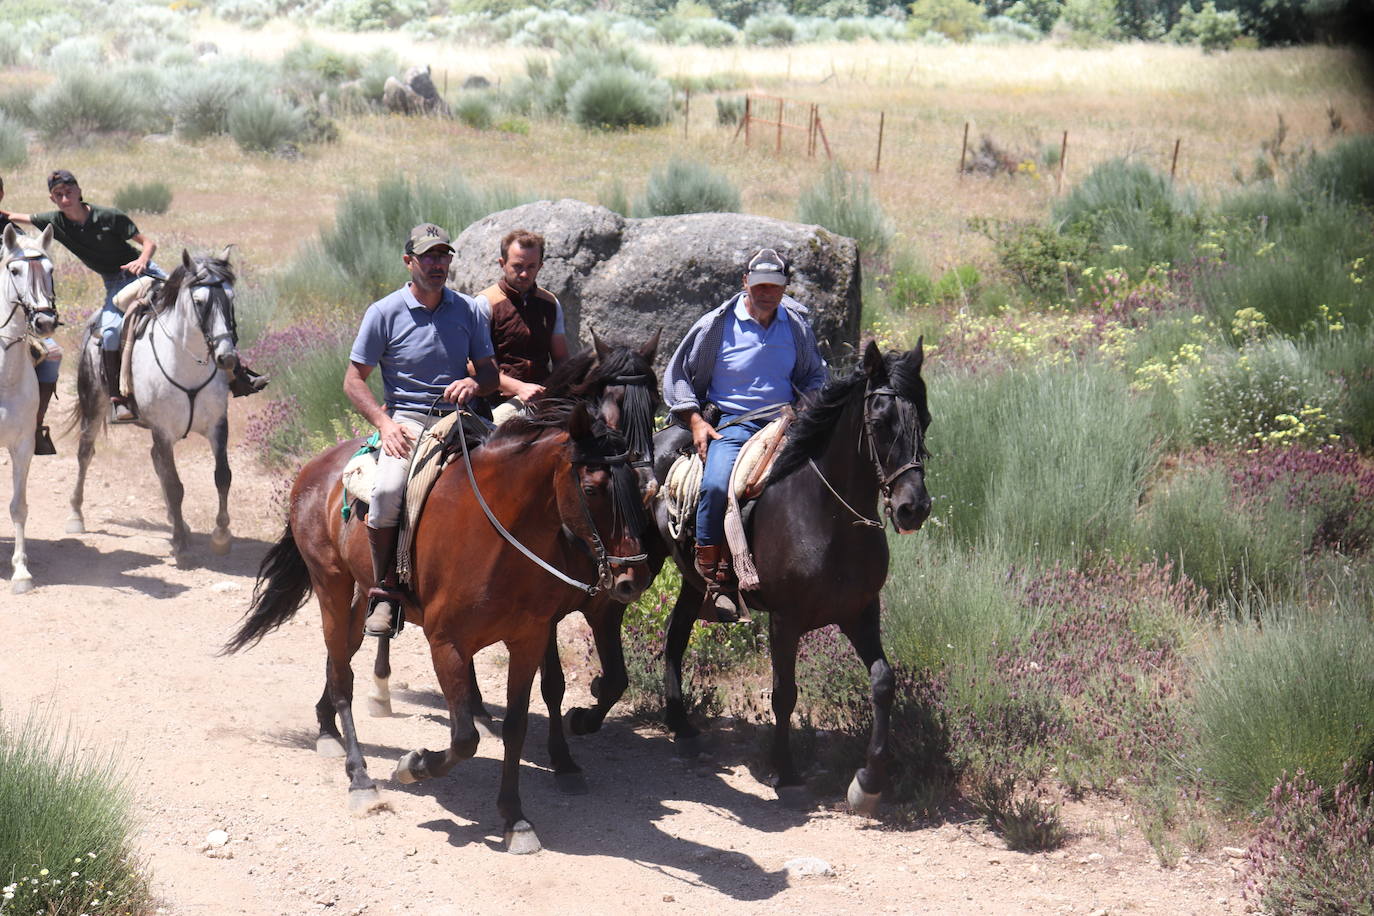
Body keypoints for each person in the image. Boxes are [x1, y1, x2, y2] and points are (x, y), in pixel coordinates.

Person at [0, 169, 266, 423]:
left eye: (69, 190)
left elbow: (148, 243)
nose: (65, 197)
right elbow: (11, 214)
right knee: (111, 332)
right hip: (116, 283)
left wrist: (142, 260)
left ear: (80, 190)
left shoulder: (109, 216)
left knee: (202, 310)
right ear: (52, 199)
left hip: (148, 273)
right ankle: (119, 399)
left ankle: (238, 375)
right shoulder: (54, 220)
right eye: (58, 194)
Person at [346, 222, 499, 637]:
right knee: (389, 491)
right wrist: (384, 423)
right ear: (408, 261)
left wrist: (474, 382)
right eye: (429, 256)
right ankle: (385, 591)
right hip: (409, 421)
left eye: (444, 255)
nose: (438, 264)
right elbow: (353, 380)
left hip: (460, 418)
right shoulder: (384, 312)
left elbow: (489, 373)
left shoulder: (469, 309)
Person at [663, 247, 828, 621]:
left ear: (784, 287)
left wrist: (807, 404)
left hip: (785, 424)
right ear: (745, 283)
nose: (766, 292)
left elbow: (814, 375)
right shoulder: (716, 324)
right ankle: (715, 576)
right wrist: (695, 421)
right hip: (733, 424)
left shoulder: (797, 323)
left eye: (774, 285)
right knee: (718, 485)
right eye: (759, 285)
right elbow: (678, 376)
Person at [471, 229, 569, 421]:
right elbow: (474, 367)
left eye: (531, 266)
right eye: (517, 266)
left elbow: (561, 357)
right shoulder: (485, 304)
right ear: (502, 264)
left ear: (540, 267)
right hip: (497, 400)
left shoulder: (550, 303)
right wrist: (520, 388)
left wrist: (558, 389)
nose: (524, 274)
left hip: (544, 397)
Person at [0, 174, 60, 455]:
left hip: (12, 320)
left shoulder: (15, 234)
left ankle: (34, 426)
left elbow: (33, 277)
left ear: (1, 194)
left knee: (53, 356)